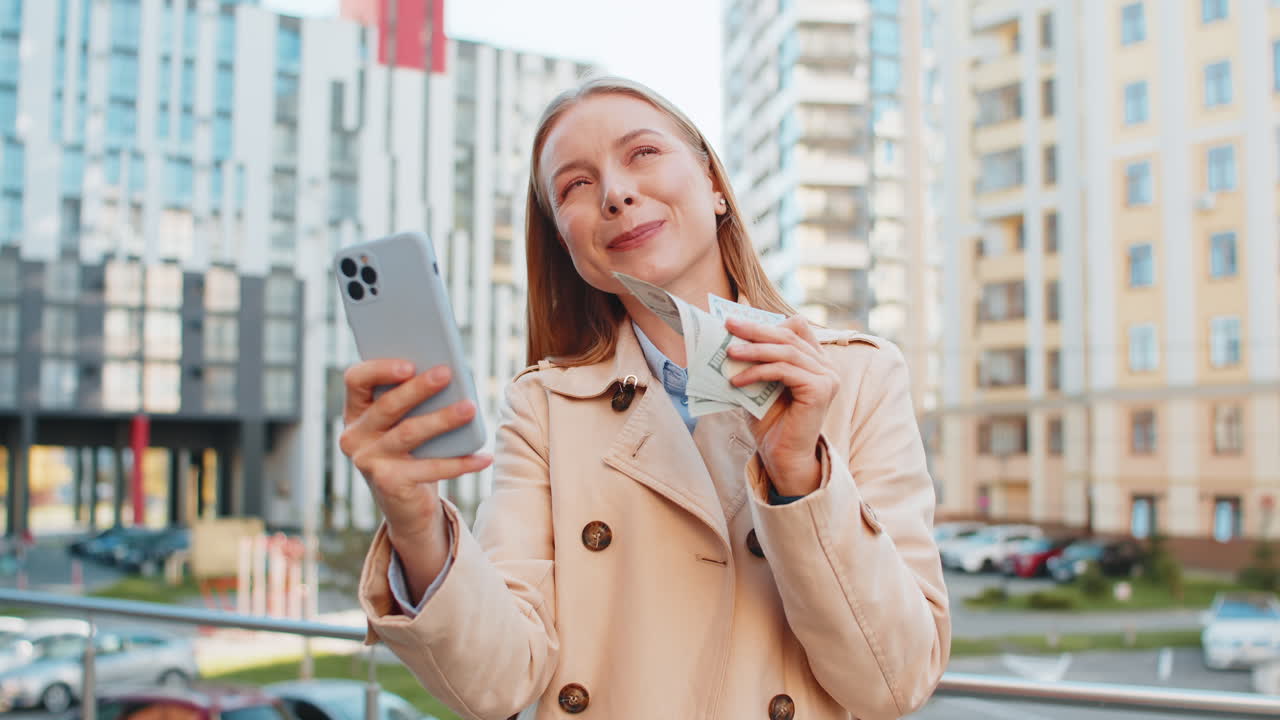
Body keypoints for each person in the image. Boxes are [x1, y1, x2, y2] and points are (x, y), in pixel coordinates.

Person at [344, 76, 950, 720]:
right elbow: (496, 685)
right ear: (565, 242)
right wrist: (415, 522)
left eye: (643, 153)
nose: (615, 193)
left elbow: (894, 683)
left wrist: (799, 476)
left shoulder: (858, 376)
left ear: (714, 184)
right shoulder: (543, 406)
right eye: (575, 186)